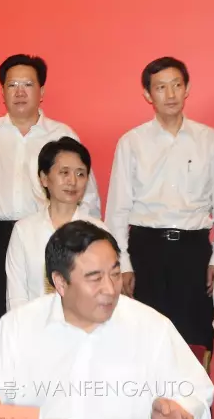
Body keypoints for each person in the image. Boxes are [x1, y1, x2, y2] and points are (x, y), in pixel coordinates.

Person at [0, 221, 214, 419]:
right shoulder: (20, 325)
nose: (109, 289)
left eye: (115, 274)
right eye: (95, 278)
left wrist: (178, 409)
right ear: (60, 282)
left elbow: (197, 393)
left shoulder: (152, 327)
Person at [0, 54, 101, 349]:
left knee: (55, 326)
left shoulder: (63, 135)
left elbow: (88, 198)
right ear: (3, 91)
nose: (20, 92)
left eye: (28, 84)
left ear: (41, 91)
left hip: (49, 237)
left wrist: (82, 248)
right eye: (12, 85)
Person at [105, 56, 214, 351]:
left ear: (187, 88)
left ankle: (195, 384)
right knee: (145, 341)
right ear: (147, 94)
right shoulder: (132, 142)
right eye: (161, 87)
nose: (170, 94)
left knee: (194, 340)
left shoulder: (208, 141)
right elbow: (117, 211)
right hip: (146, 251)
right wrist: (123, 264)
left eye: (176, 85)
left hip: (194, 251)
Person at [6, 137, 109, 311]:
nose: (73, 181)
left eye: (80, 174)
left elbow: (106, 291)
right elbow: (16, 297)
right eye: (64, 172)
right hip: (35, 324)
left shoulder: (99, 231)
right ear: (44, 178)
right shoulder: (24, 230)